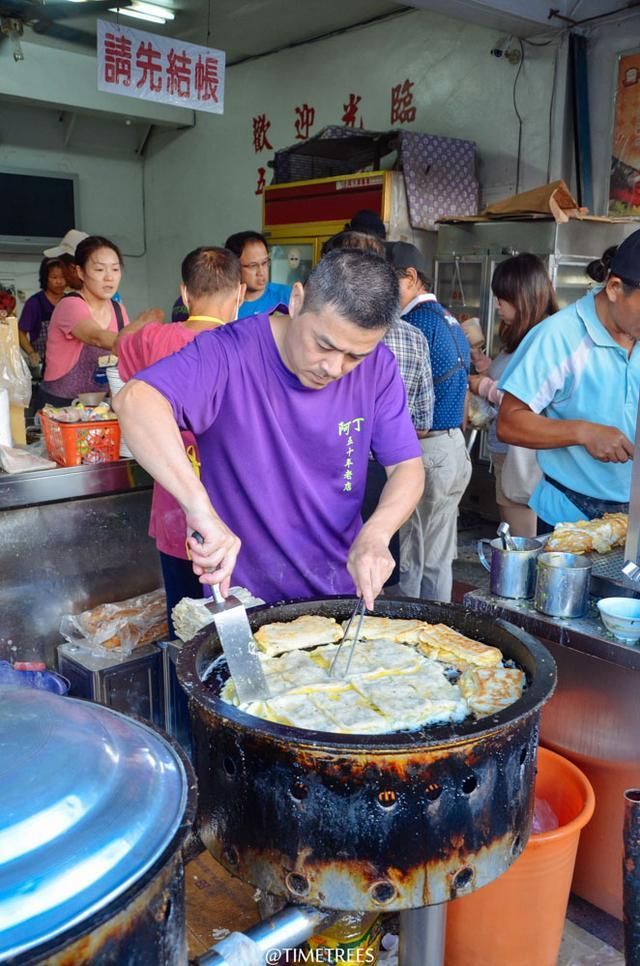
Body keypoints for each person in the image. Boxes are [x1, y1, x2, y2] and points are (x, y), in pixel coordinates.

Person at [113, 250, 425, 610]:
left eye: (355, 356)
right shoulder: (228, 352)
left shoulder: (379, 367)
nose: (335, 367)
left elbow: (406, 467)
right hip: (245, 601)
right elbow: (136, 401)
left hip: (341, 591)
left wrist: (376, 533)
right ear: (297, 301)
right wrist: (199, 508)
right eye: (324, 344)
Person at [117, 247, 245, 636]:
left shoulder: (153, 339)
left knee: (185, 629)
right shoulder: (248, 344)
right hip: (235, 519)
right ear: (239, 293)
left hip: (176, 511)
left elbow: (121, 348)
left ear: (184, 294)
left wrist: (139, 322)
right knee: (238, 628)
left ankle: (182, 693)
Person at [497, 233, 640, 527]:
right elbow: (509, 422)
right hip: (571, 515)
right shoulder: (559, 336)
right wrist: (583, 432)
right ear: (614, 288)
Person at [323, 230, 434, 586]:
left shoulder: (383, 358)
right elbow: (423, 419)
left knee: (364, 562)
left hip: (369, 471)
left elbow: (407, 464)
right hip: (378, 471)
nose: (336, 366)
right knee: (376, 576)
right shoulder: (414, 335)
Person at [388, 241, 471, 602]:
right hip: (454, 449)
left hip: (426, 450)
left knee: (413, 554)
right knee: (437, 557)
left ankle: (412, 638)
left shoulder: (412, 326)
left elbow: (403, 404)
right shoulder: (449, 320)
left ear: (410, 278)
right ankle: (442, 625)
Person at [468, 254, 559, 537]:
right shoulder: (522, 336)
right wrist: (488, 368)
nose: (497, 306)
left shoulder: (544, 338)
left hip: (524, 458)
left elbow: (528, 400)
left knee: (522, 543)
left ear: (522, 297)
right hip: (507, 452)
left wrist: (482, 386)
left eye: (502, 299)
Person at [39, 235, 132, 407]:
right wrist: (148, 342)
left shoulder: (119, 310)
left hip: (99, 408)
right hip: (61, 407)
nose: (109, 277)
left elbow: (122, 358)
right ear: (80, 272)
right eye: (99, 270)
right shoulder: (70, 305)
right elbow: (96, 337)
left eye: (115, 269)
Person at [224, 230, 291, 318]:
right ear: (234, 267)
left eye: (264, 263)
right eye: (253, 266)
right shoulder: (225, 306)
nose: (261, 272)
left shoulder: (286, 295)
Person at [18, 258, 67, 369]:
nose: (59, 282)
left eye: (63, 277)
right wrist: (31, 353)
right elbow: (21, 333)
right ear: (45, 279)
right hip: (44, 364)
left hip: (68, 363)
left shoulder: (71, 301)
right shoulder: (34, 303)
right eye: (54, 277)